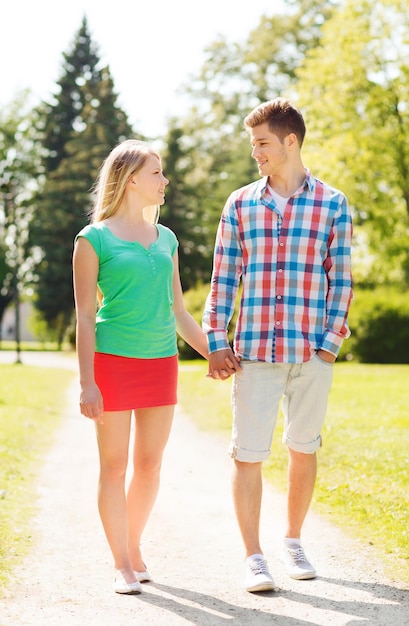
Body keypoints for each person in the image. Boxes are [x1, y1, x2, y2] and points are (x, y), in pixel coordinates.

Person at [202, 97, 353, 593]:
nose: (256, 153)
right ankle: (254, 556)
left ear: (290, 141)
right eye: (253, 145)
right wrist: (214, 339)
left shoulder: (333, 203)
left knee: (303, 448)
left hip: (311, 354)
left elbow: (342, 280)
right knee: (248, 454)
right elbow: (224, 278)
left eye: (262, 143)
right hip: (254, 355)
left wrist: (329, 344)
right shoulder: (241, 203)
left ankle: (292, 540)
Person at [72, 139, 209, 595]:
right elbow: (85, 316)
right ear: (131, 179)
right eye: (156, 173)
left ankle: (132, 548)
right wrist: (87, 382)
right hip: (112, 365)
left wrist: (216, 352)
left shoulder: (166, 238)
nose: (164, 180)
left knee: (149, 465)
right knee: (113, 467)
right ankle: (120, 563)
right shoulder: (93, 239)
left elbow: (180, 312)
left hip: (160, 362)